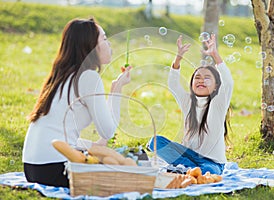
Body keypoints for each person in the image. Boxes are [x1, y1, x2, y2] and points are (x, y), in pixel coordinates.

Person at [22, 18, 132, 187]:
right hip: (55, 169)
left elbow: (64, 133)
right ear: (90, 47)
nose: (109, 44)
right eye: (104, 38)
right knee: (125, 175)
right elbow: (108, 131)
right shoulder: (88, 77)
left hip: (33, 168)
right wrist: (116, 91)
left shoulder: (62, 76)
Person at [148, 34, 233, 175]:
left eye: (207, 78)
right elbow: (173, 84)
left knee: (208, 171)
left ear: (217, 85)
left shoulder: (218, 103)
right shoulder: (187, 101)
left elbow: (228, 83)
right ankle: (189, 169)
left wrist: (215, 55)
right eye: (197, 77)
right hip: (188, 155)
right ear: (192, 83)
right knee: (155, 142)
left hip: (211, 162)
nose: (201, 80)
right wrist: (178, 58)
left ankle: (185, 169)